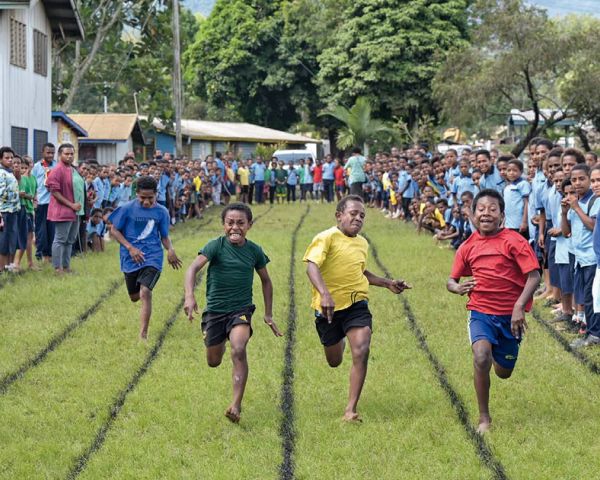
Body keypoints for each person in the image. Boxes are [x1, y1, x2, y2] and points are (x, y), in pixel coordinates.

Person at [303, 195, 410, 421]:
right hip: (328, 309)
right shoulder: (326, 238)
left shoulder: (362, 242)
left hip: (356, 305)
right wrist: (325, 294)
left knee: (361, 350)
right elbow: (312, 266)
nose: (358, 218)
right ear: (339, 215)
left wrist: (387, 283)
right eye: (353, 214)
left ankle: (350, 409)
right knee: (334, 361)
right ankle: (339, 339)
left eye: (362, 215)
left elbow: (361, 272)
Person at [447, 189, 540, 434]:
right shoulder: (467, 246)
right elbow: (451, 279)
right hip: (480, 312)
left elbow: (534, 275)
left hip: (510, 317)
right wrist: (457, 287)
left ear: (502, 215)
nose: (486, 213)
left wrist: (519, 306)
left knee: (503, 372)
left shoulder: (514, 241)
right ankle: (484, 418)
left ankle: (504, 356)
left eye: (492, 209)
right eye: (481, 209)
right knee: (480, 357)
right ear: (473, 214)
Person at [183, 203, 283, 423]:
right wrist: (190, 296)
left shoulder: (254, 250)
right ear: (223, 225)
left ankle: (235, 406)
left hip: (241, 310)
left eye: (240, 223)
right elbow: (192, 269)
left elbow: (266, 281)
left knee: (238, 349)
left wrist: (268, 314)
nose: (235, 227)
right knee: (213, 361)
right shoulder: (215, 246)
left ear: (249, 225)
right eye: (230, 223)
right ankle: (218, 339)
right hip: (215, 312)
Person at [109, 176, 181, 339]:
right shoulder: (126, 209)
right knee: (134, 297)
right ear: (136, 194)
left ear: (156, 194)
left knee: (145, 292)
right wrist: (130, 247)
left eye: (150, 198)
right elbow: (114, 230)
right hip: (130, 258)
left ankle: (143, 334)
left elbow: (164, 236)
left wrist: (170, 249)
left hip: (153, 257)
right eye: (143, 198)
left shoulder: (162, 212)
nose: (146, 202)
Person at [561, 164, 600, 348]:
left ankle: (594, 334)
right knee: (586, 297)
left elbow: (593, 226)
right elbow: (566, 232)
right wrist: (564, 212)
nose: (577, 183)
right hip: (580, 259)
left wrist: (576, 208)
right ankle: (591, 332)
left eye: (582, 179)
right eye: (574, 180)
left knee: (592, 298)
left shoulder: (593, 201)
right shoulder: (575, 201)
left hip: (592, 258)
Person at [45, 143, 85, 274]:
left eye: (72, 154)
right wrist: (71, 205)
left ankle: (66, 267)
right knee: (60, 240)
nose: (69, 156)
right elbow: (54, 192)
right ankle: (58, 268)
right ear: (60, 155)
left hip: (76, 211)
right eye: (66, 154)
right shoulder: (57, 170)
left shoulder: (73, 169)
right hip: (64, 210)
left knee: (70, 240)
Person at [31, 143, 56, 262]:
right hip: (41, 203)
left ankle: (50, 255)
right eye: (48, 152)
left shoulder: (56, 166)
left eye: (52, 153)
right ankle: (39, 253)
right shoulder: (36, 167)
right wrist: (34, 199)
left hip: (54, 203)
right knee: (41, 231)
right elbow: (33, 184)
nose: (50, 155)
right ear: (43, 152)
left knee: (52, 230)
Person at [0, 147, 21, 273]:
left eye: (11, 158)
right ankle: (1, 268)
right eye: (7, 158)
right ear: (1, 159)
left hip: (13, 210)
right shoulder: (1, 173)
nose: (10, 160)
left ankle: (8, 266)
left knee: (10, 239)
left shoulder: (10, 172)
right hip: (4, 212)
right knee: (2, 240)